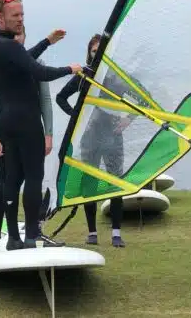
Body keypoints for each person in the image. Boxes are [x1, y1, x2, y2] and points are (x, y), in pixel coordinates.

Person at [0, 0, 82, 250]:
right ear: (0, 17)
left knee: (12, 179)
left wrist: (47, 42)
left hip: (6, 121)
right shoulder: (8, 46)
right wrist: (70, 70)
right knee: (34, 177)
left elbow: (25, 58)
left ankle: (13, 239)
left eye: (22, 14)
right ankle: (31, 236)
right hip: (26, 121)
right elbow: (39, 71)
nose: (20, 19)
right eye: (15, 15)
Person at [0, 25, 64, 245]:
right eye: (14, 37)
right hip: (6, 132)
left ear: (25, 39)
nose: (17, 41)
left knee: (30, 179)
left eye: (20, 37)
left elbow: (45, 99)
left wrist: (49, 133)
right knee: (3, 182)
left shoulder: (35, 63)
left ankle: (31, 233)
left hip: (29, 128)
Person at [55, 33, 134, 248]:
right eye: (93, 51)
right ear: (89, 54)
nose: (96, 54)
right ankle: (92, 233)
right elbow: (60, 97)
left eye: (101, 51)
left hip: (113, 136)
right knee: (88, 183)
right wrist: (77, 118)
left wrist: (128, 119)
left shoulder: (117, 76)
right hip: (89, 137)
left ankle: (116, 234)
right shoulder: (84, 75)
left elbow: (143, 98)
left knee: (116, 182)